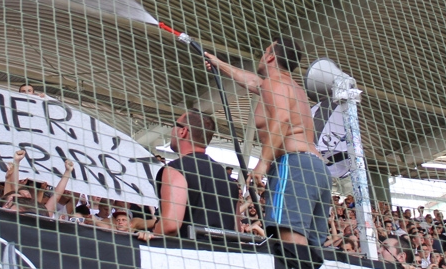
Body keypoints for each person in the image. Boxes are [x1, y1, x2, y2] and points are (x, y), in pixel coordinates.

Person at [205, 37, 332, 247]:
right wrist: (219, 63)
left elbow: (281, 118)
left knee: (292, 246)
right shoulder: (286, 86)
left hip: (294, 165)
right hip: (316, 169)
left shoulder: (276, 83)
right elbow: (250, 81)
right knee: (310, 250)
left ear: (271, 56)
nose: (262, 56)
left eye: (265, 51)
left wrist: (263, 163)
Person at [138, 109, 239, 240]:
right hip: (226, 256)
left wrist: (152, 234)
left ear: (183, 131)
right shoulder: (228, 180)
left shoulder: (176, 170)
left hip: (190, 254)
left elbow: (170, 226)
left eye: (175, 125)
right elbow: (237, 230)